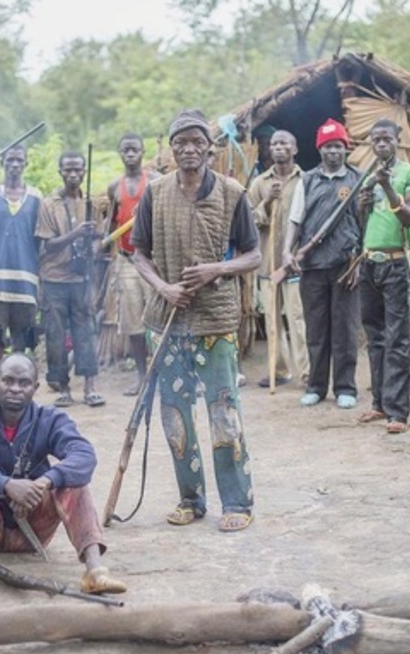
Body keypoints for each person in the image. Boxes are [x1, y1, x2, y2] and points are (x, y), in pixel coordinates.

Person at [132, 108, 261, 532]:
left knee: (223, 412)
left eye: (196, 141)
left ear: (209, 146)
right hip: (166, 320)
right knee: (174, 414)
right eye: (181, 142)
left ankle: (237, 502)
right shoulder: (155, 193)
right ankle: (191, 499)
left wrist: (215, 270)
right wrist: (164, 288)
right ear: (171, 149)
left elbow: (253, 255)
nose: (189, 149)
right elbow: (140, 254)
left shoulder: (232, 193)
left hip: (215, 321)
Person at [0, 353, 127, 608]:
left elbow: (84, 456)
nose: (15, 388)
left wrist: (43, 483)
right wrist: (5, 484)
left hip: (33, 532)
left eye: (24, 383)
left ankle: (95, 571)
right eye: (8, 380)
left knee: (73, 483)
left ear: (35, 387)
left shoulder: (50, 420)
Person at [282, 119, 362, 409]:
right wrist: (286, 252)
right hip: (313, 266)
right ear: (319, 149)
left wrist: (360, 261)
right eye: (328, 146)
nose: (333, 152)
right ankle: (316, 386)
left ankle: (346, 387)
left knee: (345, 329)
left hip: (346, 265)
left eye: (338, 146)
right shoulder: (308, 180)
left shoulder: (357, 179)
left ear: (346, 149)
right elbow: (295, 219)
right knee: (316, 329)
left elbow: (365, 223)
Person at [356, 119, 410, 434]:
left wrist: (386, 185)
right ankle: (379, 404)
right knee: (375, 337)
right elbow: (364, 223)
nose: (381, 144)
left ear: (398, 140)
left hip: (396, 263)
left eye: (387, 139)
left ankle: (398, 412)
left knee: (397, 338)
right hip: (369, 262)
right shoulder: (367, 176)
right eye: (376, 139)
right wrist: (364, 201)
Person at [36, 151, 104, 408]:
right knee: (55, 334)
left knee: (86, 331)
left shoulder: (92, 204)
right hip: (54, 278)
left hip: (81, 279)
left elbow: (99, 241)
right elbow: (48, 245)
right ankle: (63, 388)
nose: (73, 175)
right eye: (68, 170)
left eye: (78, 170)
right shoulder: (48, 204)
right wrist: (75, 234)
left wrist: (91, 252)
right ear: (60, 172)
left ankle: (90, 388)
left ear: (85, 171)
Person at [248, 129, 309, 389]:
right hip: (268, 263)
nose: (278, 147)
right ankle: (279, 370)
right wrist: (266, 202)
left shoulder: (306, 180)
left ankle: (306, 373)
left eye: (284, 143)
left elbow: (311, 221)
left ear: (295, 149)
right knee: (271, 321)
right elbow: (249, 221)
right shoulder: (260, 183)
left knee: (298, 319)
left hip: (295, 263)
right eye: (274, 144)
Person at [0, 144, 43, 375]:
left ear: (26, 164)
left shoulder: (35, 197)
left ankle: (17, 380)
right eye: (10, 160)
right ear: (1, 163)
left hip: (25, 278)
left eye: (19, 161)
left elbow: (39, 239)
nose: (14, 165)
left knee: (21, 337)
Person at [104, 133, 160, 395]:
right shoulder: (114, 186)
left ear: (143, 151)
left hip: (154, 259)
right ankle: (141, 376)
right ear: (119, 153)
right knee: (133, 322)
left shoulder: (156, 182)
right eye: (125, 150)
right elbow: (112, 223)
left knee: (159, 319)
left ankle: (163, 374)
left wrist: (147, 212)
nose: (130, 155)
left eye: (134, 150)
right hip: (126, 260)